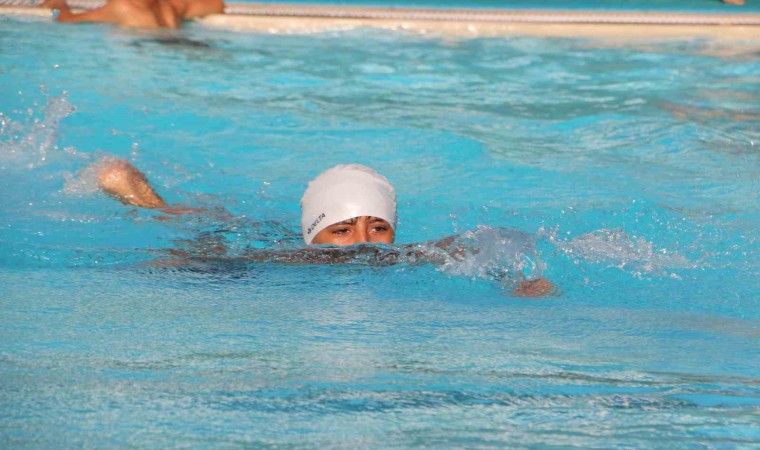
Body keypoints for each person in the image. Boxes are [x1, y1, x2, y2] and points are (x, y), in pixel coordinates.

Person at [95, 158, 557, 297]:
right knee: (207, 226)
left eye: (378, 228)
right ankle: (153, 202)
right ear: (313, 234)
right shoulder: (283, 258)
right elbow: (212, 264)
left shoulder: (408, 256)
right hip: (248, 243)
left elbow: (482, 249)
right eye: (341, 230)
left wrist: (516, 282)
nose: (363, 245)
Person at [41, 0, 224, 29]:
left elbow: (66, 19)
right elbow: (217, 5)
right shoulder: (169, 5)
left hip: (149, 50)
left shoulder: (122, 6)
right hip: (181, 45)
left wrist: (58, 4)